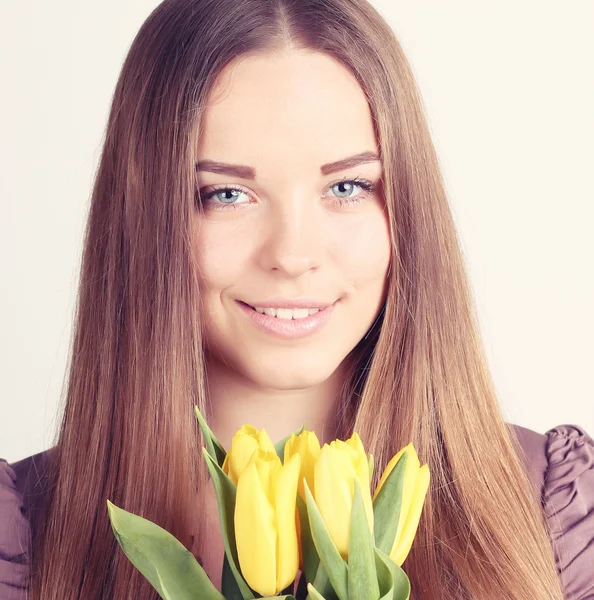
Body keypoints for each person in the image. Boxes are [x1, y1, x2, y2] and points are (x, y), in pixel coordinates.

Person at [1, 0, 592, 598]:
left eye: (347, 186)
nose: (292, 253)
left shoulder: (560, 516)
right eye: (227, 194)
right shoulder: (19, 538)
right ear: (145, 213)